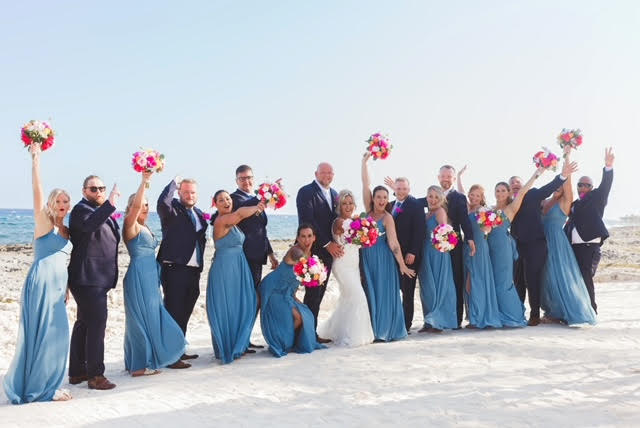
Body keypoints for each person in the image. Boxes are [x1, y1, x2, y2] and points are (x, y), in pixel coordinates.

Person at [3, 144, 73, 403]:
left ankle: (47, 383)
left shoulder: (67, 231)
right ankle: (40, 390)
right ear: (51, 204)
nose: (63, 205)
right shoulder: (45, 223)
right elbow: (37, 192)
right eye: (58, 201)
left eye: (66, 201)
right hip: (40, 284)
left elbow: (65, 262)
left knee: (57, 335)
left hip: (58, 289)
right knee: (41, 335)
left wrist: (66, 289)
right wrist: (36, 161)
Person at [122, 171, 190, 376]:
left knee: (152, 315)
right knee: (141, 318)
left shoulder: (145, 227)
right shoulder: (130, 225)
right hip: (139, 275)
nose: (144, 207)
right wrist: (145, 181)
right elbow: (134, 208)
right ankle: (139, 365)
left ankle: (142, 360)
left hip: (152, 276)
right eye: (140, 204)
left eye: (146, 204)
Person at [68, 174, 120, 390]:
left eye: (101, 188)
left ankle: (77, 372)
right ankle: (96, 375)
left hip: (96, 278)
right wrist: (110, 204)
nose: (98, 192)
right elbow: (90, 226)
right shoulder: (81, 210)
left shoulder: (97, 211)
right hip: (88, 278)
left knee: (84, 324)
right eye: (93, 189)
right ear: (84, 191)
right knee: (97, 326)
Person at [509, 160, 573, 326]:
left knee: (532, 279)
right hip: (517, 245)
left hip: (536, 244)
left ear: (523, 185)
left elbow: (550, 187)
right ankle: (517, 313)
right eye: (512, 183)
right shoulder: (508, 202)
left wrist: (563, 175)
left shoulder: (532, 194)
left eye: (517, 182)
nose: (515, 185)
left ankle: (535, 315)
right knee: (518, 280)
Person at [206, 191, 264, 364]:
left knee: (242, 303)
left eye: (228, 199)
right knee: (227, 305)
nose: (226, 202)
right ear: (215, 204)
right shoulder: (221, 221)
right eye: (221, 200)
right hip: (225, 268)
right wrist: (258, 206)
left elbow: (239, 215)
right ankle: (228, 346)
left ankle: (239, 343)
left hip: (238, 266)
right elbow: (240, 213)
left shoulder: (233, 222)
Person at [361, 153, 415, 341]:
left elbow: (393, 243)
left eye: (385, 197)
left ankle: (383, 332)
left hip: (383, 259)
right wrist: (364, 163)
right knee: (370, 294)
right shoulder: (367, 212)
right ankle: (372, 330)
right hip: (366, 258)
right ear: (373, 198)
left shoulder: (388, 217)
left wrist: (401, 264)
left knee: (383, 294)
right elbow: (366, 185)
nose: (382, 200)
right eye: (378, 197)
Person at [540, 148, 597, 325]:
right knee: (548, 279)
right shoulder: (543, 202)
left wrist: (567, 156)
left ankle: (572, 312)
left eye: (561, 186)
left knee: (563, 277)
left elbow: (567, 182)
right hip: (543, 243)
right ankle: (554, 313)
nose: (558, 188)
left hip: (558, 243)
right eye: (556, 185)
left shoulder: (565, 203)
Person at [157, 177, 208, 360]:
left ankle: (179, 349)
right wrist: (171, 184)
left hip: (193, 270)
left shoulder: (200, 213)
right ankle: (170, 356)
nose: (189, 195)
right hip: (174, 269)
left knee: (185, 311)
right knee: (174, 311)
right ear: (179, 192)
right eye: (185, 191)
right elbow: (162, 202)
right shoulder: (172, 210)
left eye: (193, 192)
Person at [488, 167, 546, 327]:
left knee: (505, 281)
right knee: (494, 281)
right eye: (497, 190)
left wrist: (536, 174)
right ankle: (497, 313)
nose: (500, 193)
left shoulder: (511, 207)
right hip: (490, 248)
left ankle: (513, 314)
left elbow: (523, 191)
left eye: (502, 190)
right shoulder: (489, 210)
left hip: (505, 248)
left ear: (508, 193)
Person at [259, 224, 327, 357]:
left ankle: (290, 341)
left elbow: (296, 279)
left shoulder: (309, 254)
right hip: (273, 290)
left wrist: (295, 297)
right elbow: (302, 263)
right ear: (297, 238)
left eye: (309, 236)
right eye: (303, 236)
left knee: (306, 313)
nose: (306, 240)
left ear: (314, 238)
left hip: (287, 292)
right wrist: (316, 272)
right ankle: (284, 343)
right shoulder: (296, 252)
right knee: (298, 317)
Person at [317, 190, 374, 346]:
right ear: (339, 206)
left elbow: (360, 238)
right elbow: (351, 231)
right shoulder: (339, 222)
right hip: (342, 265)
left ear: (354, 205)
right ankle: (354, 337)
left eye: (350, 203)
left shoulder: (354, 221)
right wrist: (366, 227)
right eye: (344, 203)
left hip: (354, 265)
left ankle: (339, 331)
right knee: (358, 297)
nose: (348, 206)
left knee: (348, 299)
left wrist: (365, 227)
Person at [230, 165, 278, 349]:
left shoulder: (256, 200)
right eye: (242, 178)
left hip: (258, 257)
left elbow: (261, 231)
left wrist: (271, 254)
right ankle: (239, 340)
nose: (246, 181)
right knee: (245, 300)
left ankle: (245, 338)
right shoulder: (235, 199)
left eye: (249, 177)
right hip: (243, 257)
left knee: (253, 299)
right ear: (236, 181)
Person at [564, 148, 615, 313]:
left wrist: (608, 167)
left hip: (589, 247)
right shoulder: (574, 204)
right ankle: (578, 309)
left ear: (592, 188)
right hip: (574, 247)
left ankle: (591, 309)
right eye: (580, 184)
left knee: (586, 277)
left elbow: (606, 185)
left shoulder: (597, 198)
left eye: (587, 185)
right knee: (575, 278)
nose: (583, 187)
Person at [296, 162, 342, 343]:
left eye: (330, 173)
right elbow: (307, 221)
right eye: (323, 173)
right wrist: (326, 243)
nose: (327, 176)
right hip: (312, 251)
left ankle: (311, 332)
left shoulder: (335, 195)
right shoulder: (306, 192)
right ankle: (306, 334)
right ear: (316, 173)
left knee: (319, 295)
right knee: (311, 294)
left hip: (329, 253)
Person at [417, 185, 457, 332]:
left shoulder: (440, 211)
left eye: (436, 197)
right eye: (430, 196)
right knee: (427, 286)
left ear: (441, 199)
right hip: (425, 252)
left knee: (438, 285)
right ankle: (429, 320)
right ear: (426, 197)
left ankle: (438, 321)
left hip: (437, 252)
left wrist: (440, 246)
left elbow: (444, 230)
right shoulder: (426, 213)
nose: (433, 200)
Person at [463, 185, 502, 329]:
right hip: (467, 247)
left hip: (479, 248)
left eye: (477, 196)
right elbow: (461, 191)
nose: (474, 198)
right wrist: (459, 177)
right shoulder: (467, 208)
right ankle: (474, 316)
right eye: (471, 195)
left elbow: (488, 229)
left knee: (477, 281)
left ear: (482, 198)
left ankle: (481, 317)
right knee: (469, 283)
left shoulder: (483, 210)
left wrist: (486, 226)